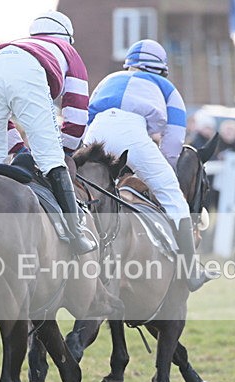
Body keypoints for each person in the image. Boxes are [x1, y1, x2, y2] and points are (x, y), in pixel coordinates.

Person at [84, 39, 216, 291]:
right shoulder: (166, 87)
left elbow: (87, 118)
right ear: (161, 69)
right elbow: (174, 139)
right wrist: (163, 171)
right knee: (174, 198)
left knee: (89, 195)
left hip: (96, 132)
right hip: (131, 132)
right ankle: (191, 272)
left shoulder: (108, 79)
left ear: (129, 65)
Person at [0, 10, 96, 255]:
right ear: (67, 37)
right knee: (51, 159)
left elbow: (3, 121)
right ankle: (75, 235)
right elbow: (77, 115)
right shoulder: (68, 51)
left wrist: (19, 149)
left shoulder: (20, 44)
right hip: (28, 71)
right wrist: (64, 152)